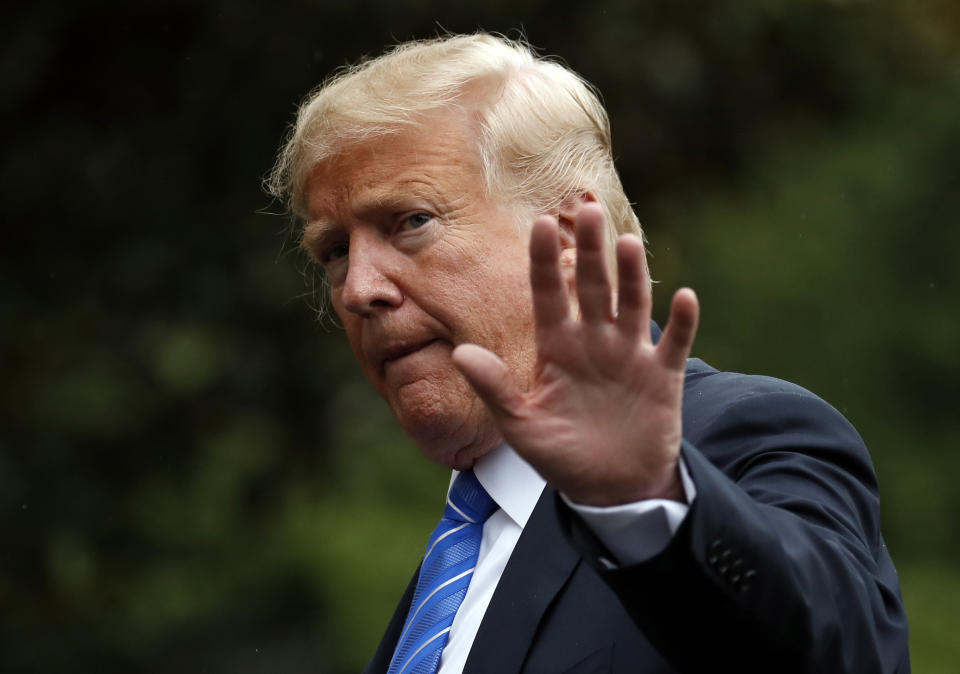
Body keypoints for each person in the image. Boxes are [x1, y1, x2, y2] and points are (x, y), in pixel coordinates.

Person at [267, 33, 910, 673]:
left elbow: (843, 649)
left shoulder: (735, 437)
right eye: (336, 250)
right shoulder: (455, 566)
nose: (358, 289)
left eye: (410, 221)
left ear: (572, 239)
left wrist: (642, 499)